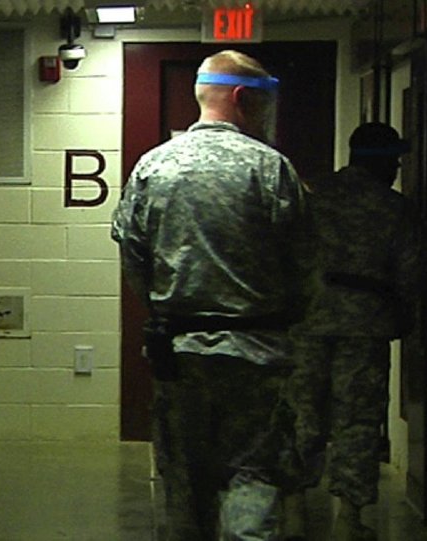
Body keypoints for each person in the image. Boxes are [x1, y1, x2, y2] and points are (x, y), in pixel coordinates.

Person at [111, 49, 308, 540]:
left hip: (179, 354)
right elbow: (305, 262)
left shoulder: (153, 167)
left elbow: (133, 258)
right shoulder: (270, 168)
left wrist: (163, 308)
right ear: (243, 98)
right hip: (258, 354)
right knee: (254, 473)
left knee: (183, 481)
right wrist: (290, 320)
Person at [283, 122, 422, 540]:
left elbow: (284, 259)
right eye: (393, 159)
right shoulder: (394, 208)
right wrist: (404, 316)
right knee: (357, 422)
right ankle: (348, 518)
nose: (397, 167)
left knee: (300, 415)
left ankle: (292, 509)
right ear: (376, 160)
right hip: (365, 327)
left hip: (307, 324)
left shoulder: (312, 199)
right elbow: (412, 272)